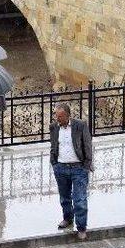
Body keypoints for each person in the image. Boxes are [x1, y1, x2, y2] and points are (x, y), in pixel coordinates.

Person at [50, 103, 93, 240]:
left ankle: (81, 228)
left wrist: (86, 165)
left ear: (68, 115)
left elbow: (87, 145)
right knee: (65, 197)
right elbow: (53, 146)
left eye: (61, 116)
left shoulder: (80, 125)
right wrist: (54, 163)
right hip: (61, 167)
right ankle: (67, 218)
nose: (58, 119)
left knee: (79, 199)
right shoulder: (53, 127)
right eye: (56, 116)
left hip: (78, 168)